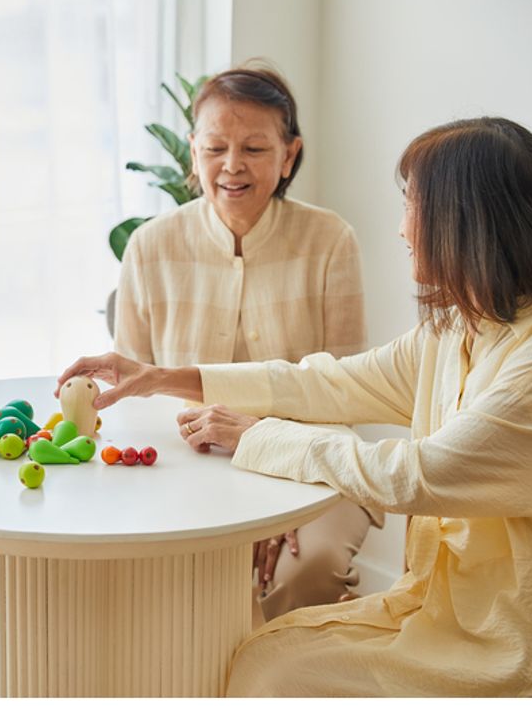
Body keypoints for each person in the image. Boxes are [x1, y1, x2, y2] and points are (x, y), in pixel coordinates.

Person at [61, 115, 532, 696]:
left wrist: (255, 435)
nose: (401, 228)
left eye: (412, 204)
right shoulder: (460, 326)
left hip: (513, 645)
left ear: (463, 218)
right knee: (256, 653)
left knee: (266, 669)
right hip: (440, 611)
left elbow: (419, 474)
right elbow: (325, 382)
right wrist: (161, 377)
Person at [114, 64, 378, 623]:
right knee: (155, 581)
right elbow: (136, 398)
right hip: (181, 467)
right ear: (193, 152)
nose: (232, 165)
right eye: (215, 148)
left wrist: (278, 505)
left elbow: (346, 393)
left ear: (288, 155)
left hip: (310, 461)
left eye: (254, 148)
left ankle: (274, 670)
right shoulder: (149, 246)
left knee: (310, 567)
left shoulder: (330, 241)